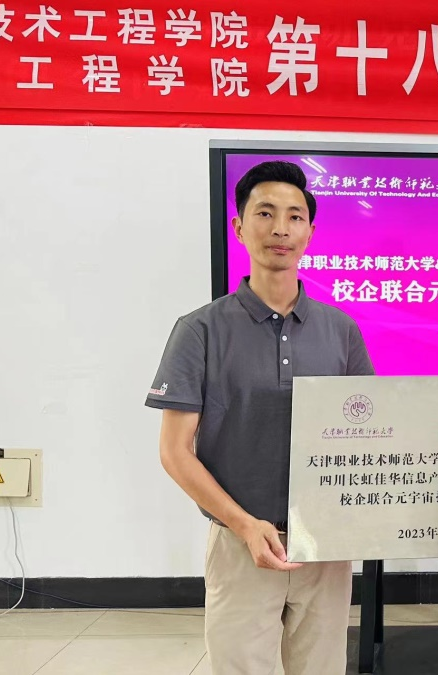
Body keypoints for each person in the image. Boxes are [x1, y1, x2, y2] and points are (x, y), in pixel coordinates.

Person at [145, 160, 374, 675]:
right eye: (265, 213)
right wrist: (244, 524)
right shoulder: (200, 330)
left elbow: (374, 434)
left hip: (325, 546)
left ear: (310, 233)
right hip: (240, 543)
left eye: (295, 217)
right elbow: (175, 451)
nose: (280, 229)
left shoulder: (341, 331)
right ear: (239, 227)